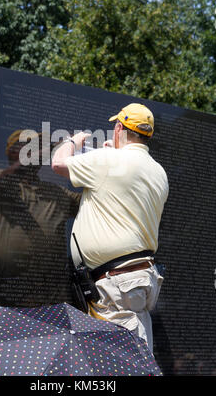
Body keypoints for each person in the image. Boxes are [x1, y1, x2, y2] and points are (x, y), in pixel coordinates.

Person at [52, 103, 169, 352]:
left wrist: (72, 142)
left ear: (119, 128)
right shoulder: (158, 171)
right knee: (132, 359)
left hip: (114, 287)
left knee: (116, 364)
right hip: (135, 282)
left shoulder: (108, 160)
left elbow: (58, 163)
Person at [0, 129, 80, 307]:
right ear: (13, 152)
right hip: (12, 295)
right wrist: (58, 147)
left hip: (52, 296)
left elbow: (92, 203)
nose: (36, 153)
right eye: (29, 148)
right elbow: (7, 176)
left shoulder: (57, 192)